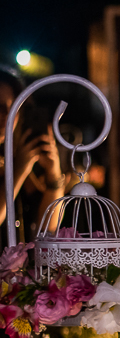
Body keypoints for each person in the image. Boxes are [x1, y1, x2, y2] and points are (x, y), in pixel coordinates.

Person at [0, 66, 66, 231]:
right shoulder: (16, 164)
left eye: (14, 109)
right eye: (0, 108)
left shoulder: (7, 158)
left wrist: (53, 173)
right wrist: (19, 170)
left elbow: (49, 227)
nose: (7, 116)